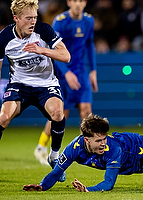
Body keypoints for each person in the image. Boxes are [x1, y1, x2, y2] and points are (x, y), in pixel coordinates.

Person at [0, 0, 70, 181]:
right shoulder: (4, 37)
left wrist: (42, 50)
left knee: (57, 112)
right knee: (3, 118)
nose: (33, 21)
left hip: (46, 85)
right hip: (19, 86)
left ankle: (54, 156)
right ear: (16, 18)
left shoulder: (44, 30)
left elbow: (66, 56)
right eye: (28, 18)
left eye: (35, 17)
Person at [34, 0, 98, 165]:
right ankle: (41, 146)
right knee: (61, 114)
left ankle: (85, 150)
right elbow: (55, 51)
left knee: (86, 111)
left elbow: (90, 44)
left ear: (85, 3)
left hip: (82, 72)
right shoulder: (60, 21)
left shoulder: (89, 20)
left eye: (81, 1)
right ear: (69, 2)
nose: (78, 4)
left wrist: (93, 71)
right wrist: (67, 72)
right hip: (63, 74)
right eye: (75, 0)